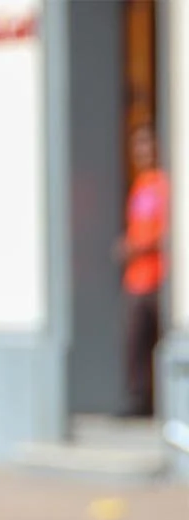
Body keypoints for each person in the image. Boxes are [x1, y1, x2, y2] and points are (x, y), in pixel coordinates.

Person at [119, 123, 169, 418]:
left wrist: (141, 247)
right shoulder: (139, 186)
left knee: (159, 340)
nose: (142, 151)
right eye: (138, 145)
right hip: (136, 280)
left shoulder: (165, 184)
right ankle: (139, 401)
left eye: (147, 144)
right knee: (134, 342)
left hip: (159, 276)